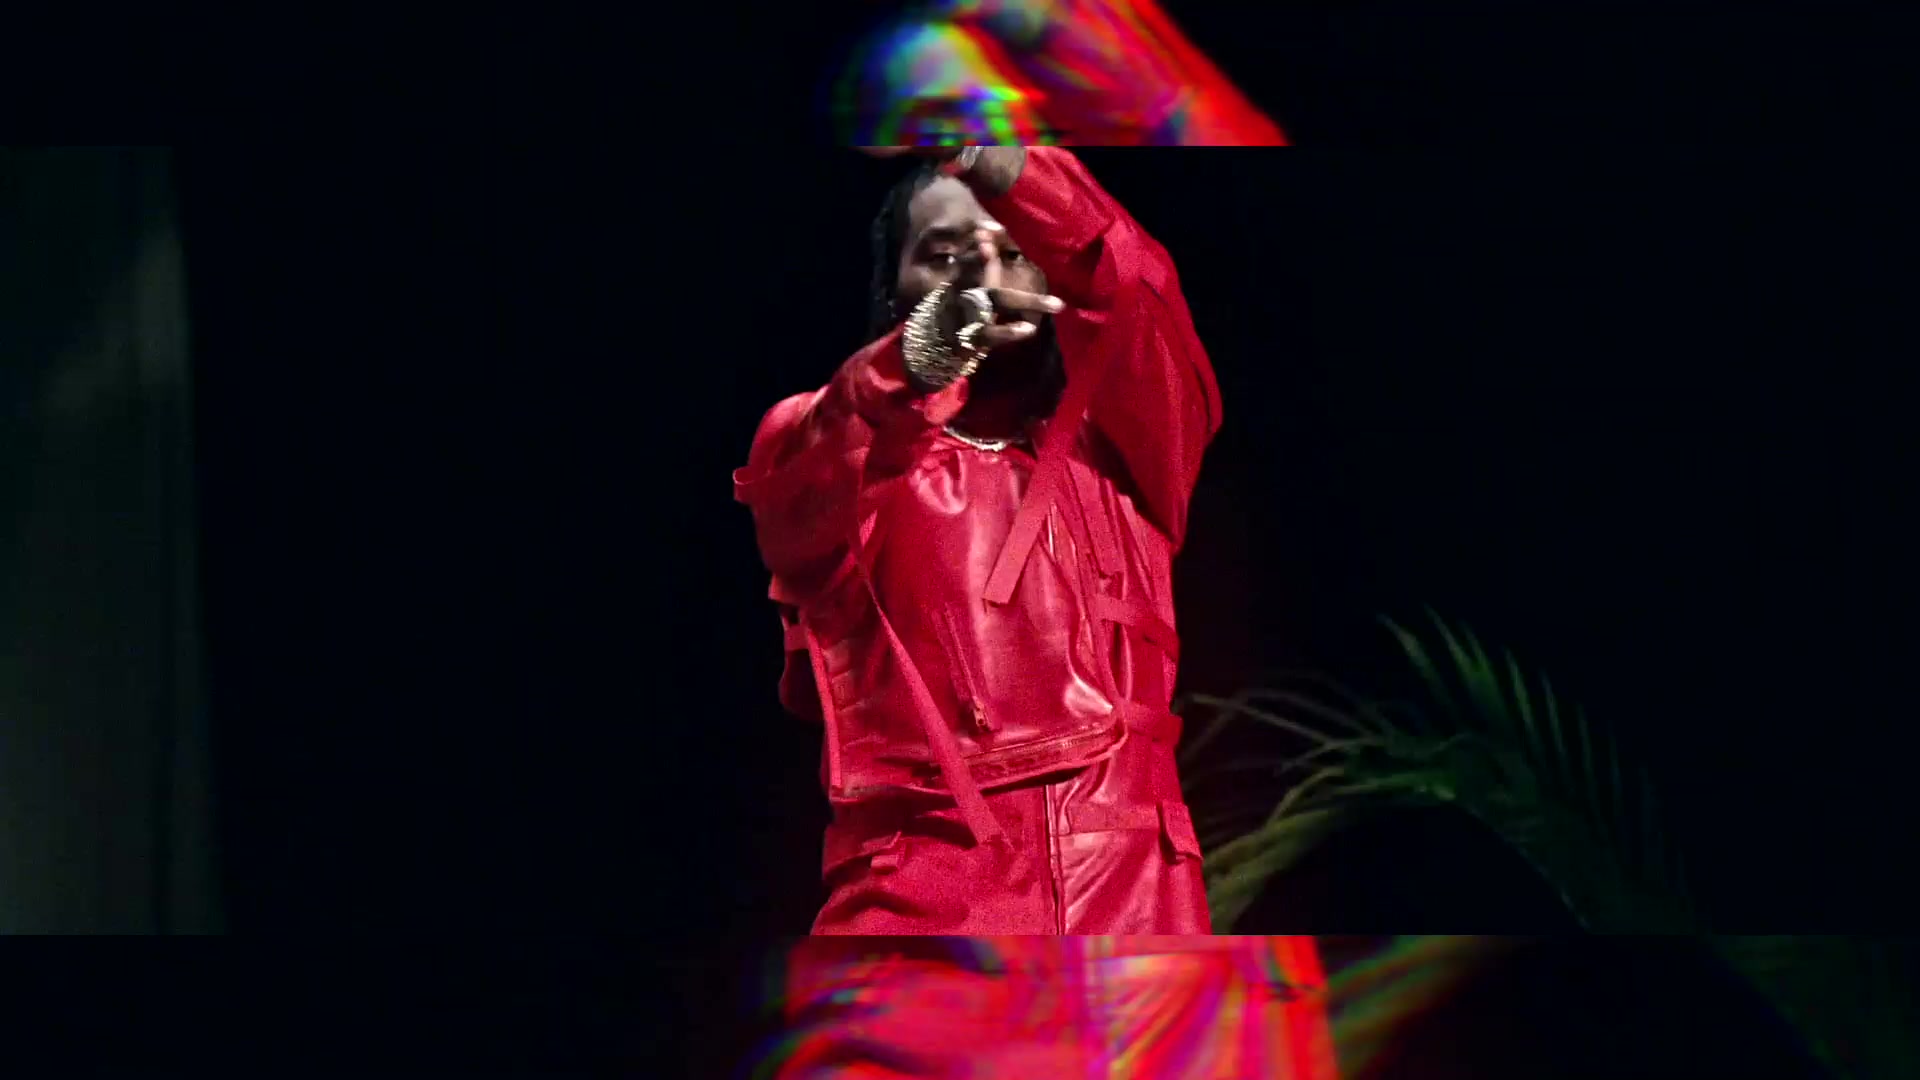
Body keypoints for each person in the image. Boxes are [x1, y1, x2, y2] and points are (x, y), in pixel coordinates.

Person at [734, 145, 1223, 934]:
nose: (985, 274)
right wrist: (915, 363)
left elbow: (1137, 290)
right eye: (946, 256)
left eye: (1016, 251)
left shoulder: (1131, 458)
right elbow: (807, 471)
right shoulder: (838, 454)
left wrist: (1001, 163)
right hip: (922, 907)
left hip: (1136, 904)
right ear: (894, 290)